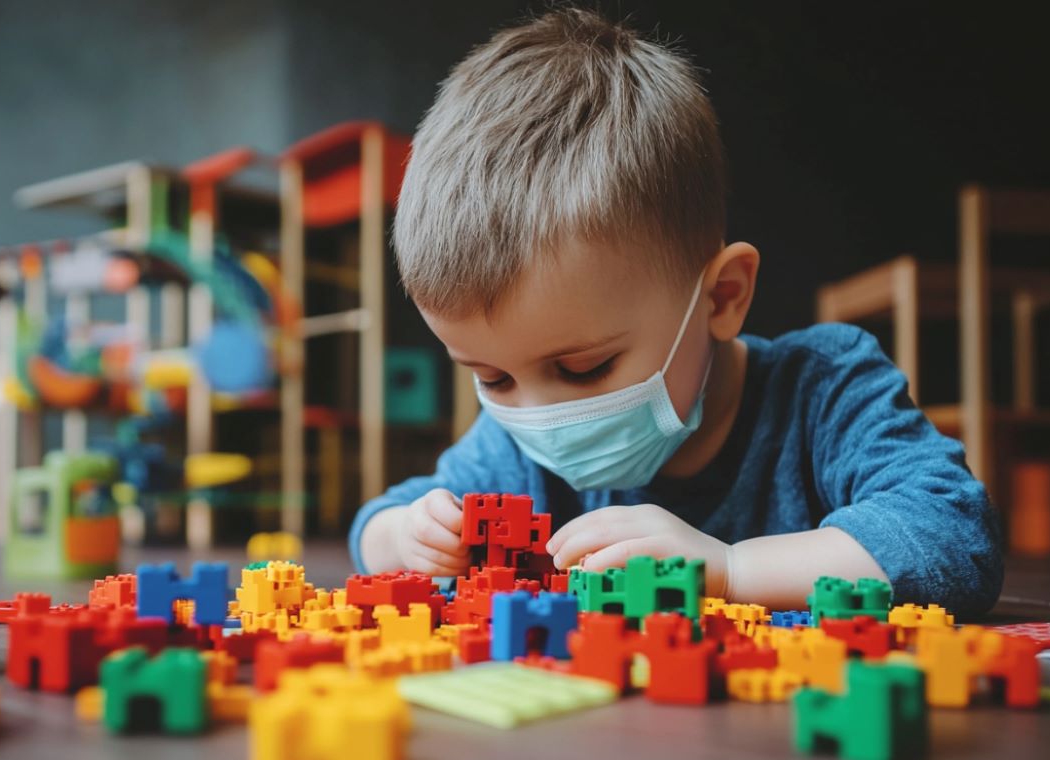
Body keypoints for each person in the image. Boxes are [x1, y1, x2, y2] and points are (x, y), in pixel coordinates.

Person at [349, 8, 1001, 616]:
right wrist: (410, 535)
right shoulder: (514, 447)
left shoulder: (824, 387)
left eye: (585, 368)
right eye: (492, 379)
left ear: (722, 297)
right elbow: (374, 527)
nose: (539, 413)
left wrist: (731, 569)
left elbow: (952, 535)